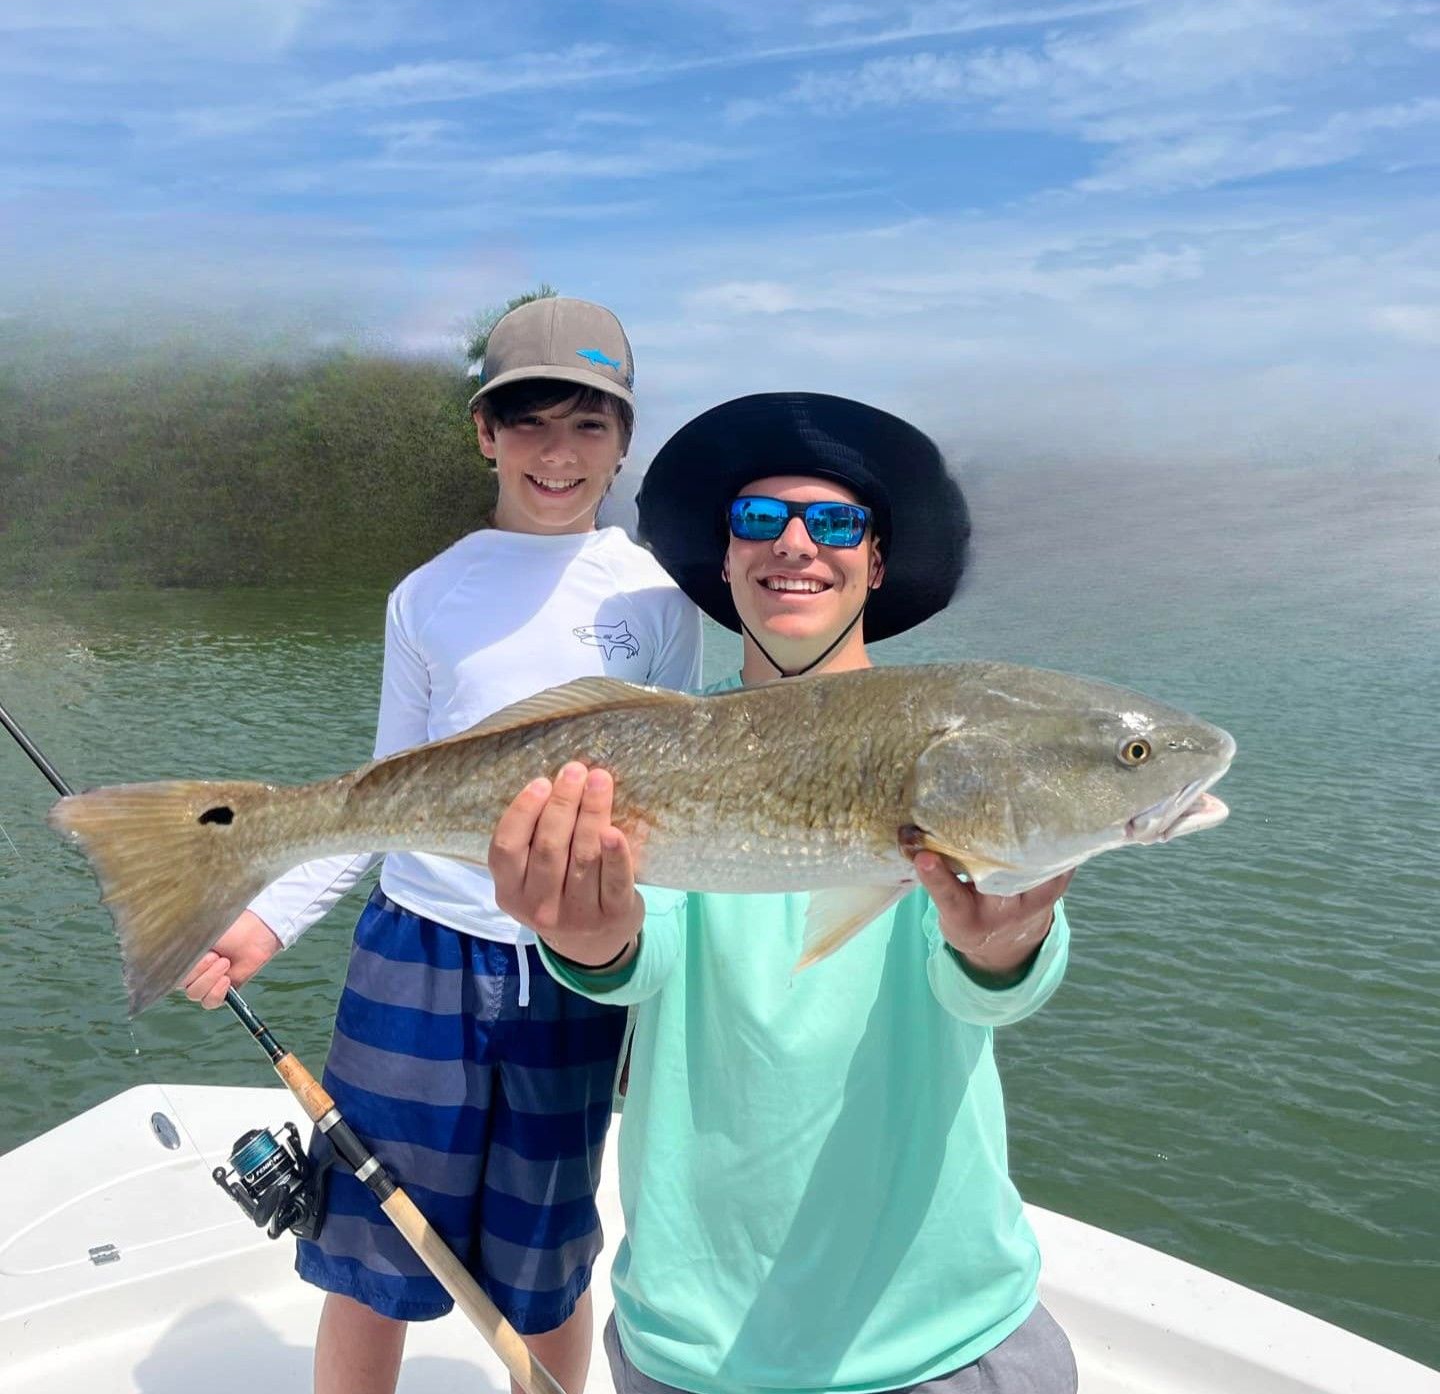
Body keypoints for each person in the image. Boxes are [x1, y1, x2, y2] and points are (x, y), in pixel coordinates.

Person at [486, 392, 1079, 1394]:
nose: (795, 543)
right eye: (759, 520)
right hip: (701, 1345)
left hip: (946, 1331)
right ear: (725, 561)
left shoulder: (961, 746)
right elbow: (640, 954)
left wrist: (1006, 945)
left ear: (875, 564)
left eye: (837, 521)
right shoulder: (660, 747)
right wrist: (589, 940)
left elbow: (994, 982)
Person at [180, 298, 703, 1394]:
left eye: (589, 425)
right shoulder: (428, 595)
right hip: (413, 958)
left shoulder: (658, 600)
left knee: (549, 1266)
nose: (557, 454)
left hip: (573, 973)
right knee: (371, 1257)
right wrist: (267, 916)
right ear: (483, 433)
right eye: (528, 422)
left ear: (624, 439)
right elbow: (381, 799)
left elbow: (683, 808)